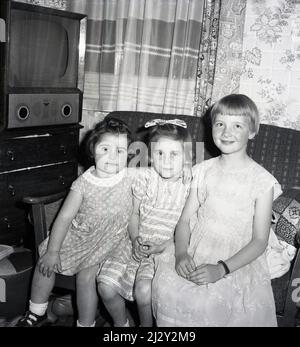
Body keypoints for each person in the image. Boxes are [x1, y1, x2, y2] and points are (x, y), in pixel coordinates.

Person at [152, 94, 281, 327]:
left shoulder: (262, 182)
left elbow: (260, 241)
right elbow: (184, 221)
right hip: (197, 246)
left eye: (237, 125)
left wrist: (222, 269)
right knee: (167, 290)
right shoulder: (202, 171)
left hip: (236, 257)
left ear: (252, 132)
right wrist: (181, 253)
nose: (226, 132)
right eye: (220, 124)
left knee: (211, 304)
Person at [17, 117, 134, 327]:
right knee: (45, 260)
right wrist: (53, 251)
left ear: (129, 155)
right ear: (92, 149)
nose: (112, 157)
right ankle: (37, 311)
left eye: (120, 151)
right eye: (105, 148)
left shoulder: (131, 177)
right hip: (83, 235)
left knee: (85, 277)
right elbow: (64, 217)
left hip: (112, 240)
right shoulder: (83, 183)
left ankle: (85, 324)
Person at [97, 119, 192, 327]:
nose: (166, 161)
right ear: (150, 155)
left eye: (174, 154)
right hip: (133, 242)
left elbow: (189, 226)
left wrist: (163, 246)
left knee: (143, 291)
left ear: (186, 157)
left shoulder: (189, 185)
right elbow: (133, 214)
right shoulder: (144, 178)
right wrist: (134, 238)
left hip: (164, 249)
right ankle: (122, 325)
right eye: (159, 154)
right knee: (105, 285)